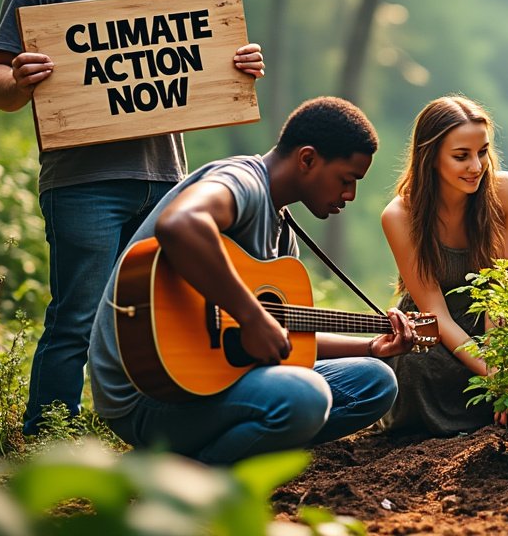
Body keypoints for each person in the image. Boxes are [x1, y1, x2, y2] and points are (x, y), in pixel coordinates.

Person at [0, 0, 266, 435]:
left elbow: (181, 69)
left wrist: (231, 65)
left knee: (160, 314)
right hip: (83, 183)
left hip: (164, 179)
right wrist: (20, 81)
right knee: (77, 316)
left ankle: (146, 427)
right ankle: (48, 436)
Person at [87, 97, 417, 464]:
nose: (350, 195)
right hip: (151, 394)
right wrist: (252, 316)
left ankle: (228, 450)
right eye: (346, 179)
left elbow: (286, 335)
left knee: (376, 382)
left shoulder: (281, 228)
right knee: (306, 397)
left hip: (211, 383)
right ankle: (198, 478)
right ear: (307, 159)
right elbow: (180, 224)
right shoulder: (241, 181)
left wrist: (371, 346)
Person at [379, 95, 508, 435]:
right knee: (414, 368)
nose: (476, 166)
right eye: (461, 156)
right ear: (430, 158)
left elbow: (501, 294)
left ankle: (505, 414)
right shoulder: (400, 216)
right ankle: (471, 421)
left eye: (482, 152)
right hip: (437, 334)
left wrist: (504, 368)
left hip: (493, 328)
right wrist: (494, 376)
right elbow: (435, 313)